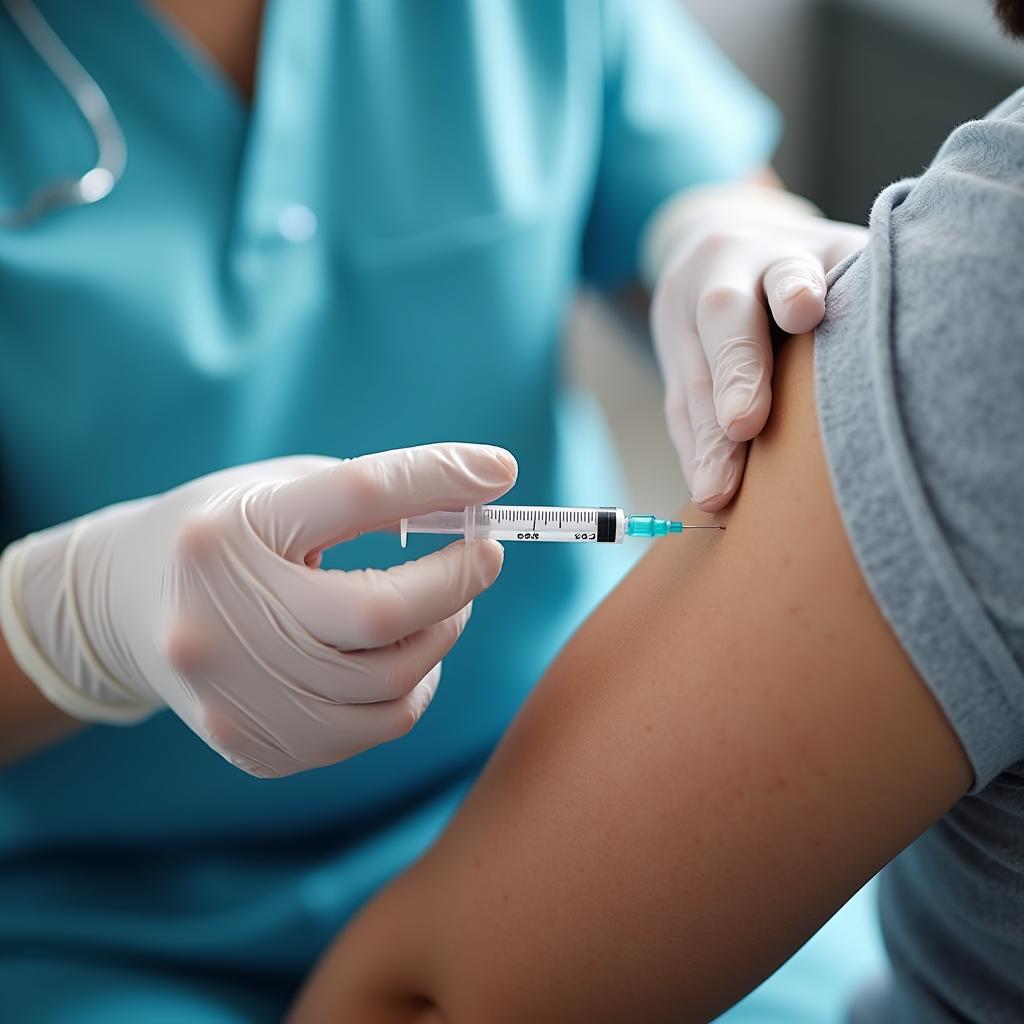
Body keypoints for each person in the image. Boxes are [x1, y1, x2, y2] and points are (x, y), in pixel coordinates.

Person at [0, 1, 866, 1020]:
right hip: (93, 912)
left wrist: (719, 233)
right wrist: (76, 619)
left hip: (568, 784)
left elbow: (700, 197)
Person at [286, 4, 1024, 1022]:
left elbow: (688, 177)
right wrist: (68, 627)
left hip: (547, 765)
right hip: (117, 889)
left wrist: (710, 223)